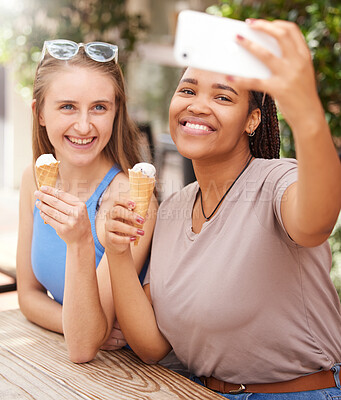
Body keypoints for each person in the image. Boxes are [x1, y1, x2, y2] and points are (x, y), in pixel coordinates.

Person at [104, 19, 341, 398]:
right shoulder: (173, 209)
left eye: (223, 97)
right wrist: (117, 252)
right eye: (187, 90)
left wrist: (305, 107)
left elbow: (316, 222)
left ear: (252, 120)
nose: (198, 105)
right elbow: (152, 346)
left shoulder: (276, 181)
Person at [16, 40, 158, 363]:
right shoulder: (33, 179)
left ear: (116, 112)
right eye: (67, 106)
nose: (83, 125)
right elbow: (27, 296)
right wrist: (81, 325)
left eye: (99, 107)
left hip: (127, 377)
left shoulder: (131, 202)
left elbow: (83, 347)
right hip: (55, 367)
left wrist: (80, 240)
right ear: (39, 113)